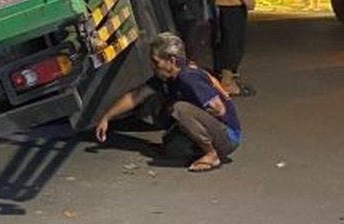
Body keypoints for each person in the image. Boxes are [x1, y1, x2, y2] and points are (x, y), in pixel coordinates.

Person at [94, 32, 240, 173]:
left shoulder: (188, 77)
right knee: (172, 148)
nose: (153, 66)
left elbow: (219, 109)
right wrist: (107, 117)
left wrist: (192, 114)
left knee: (178, 108)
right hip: (215, 128)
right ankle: (196, 142)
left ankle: (211, 154)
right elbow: (136, 95)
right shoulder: (170, 75)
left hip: (228, 135)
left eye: (156, 61)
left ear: (171, 60)